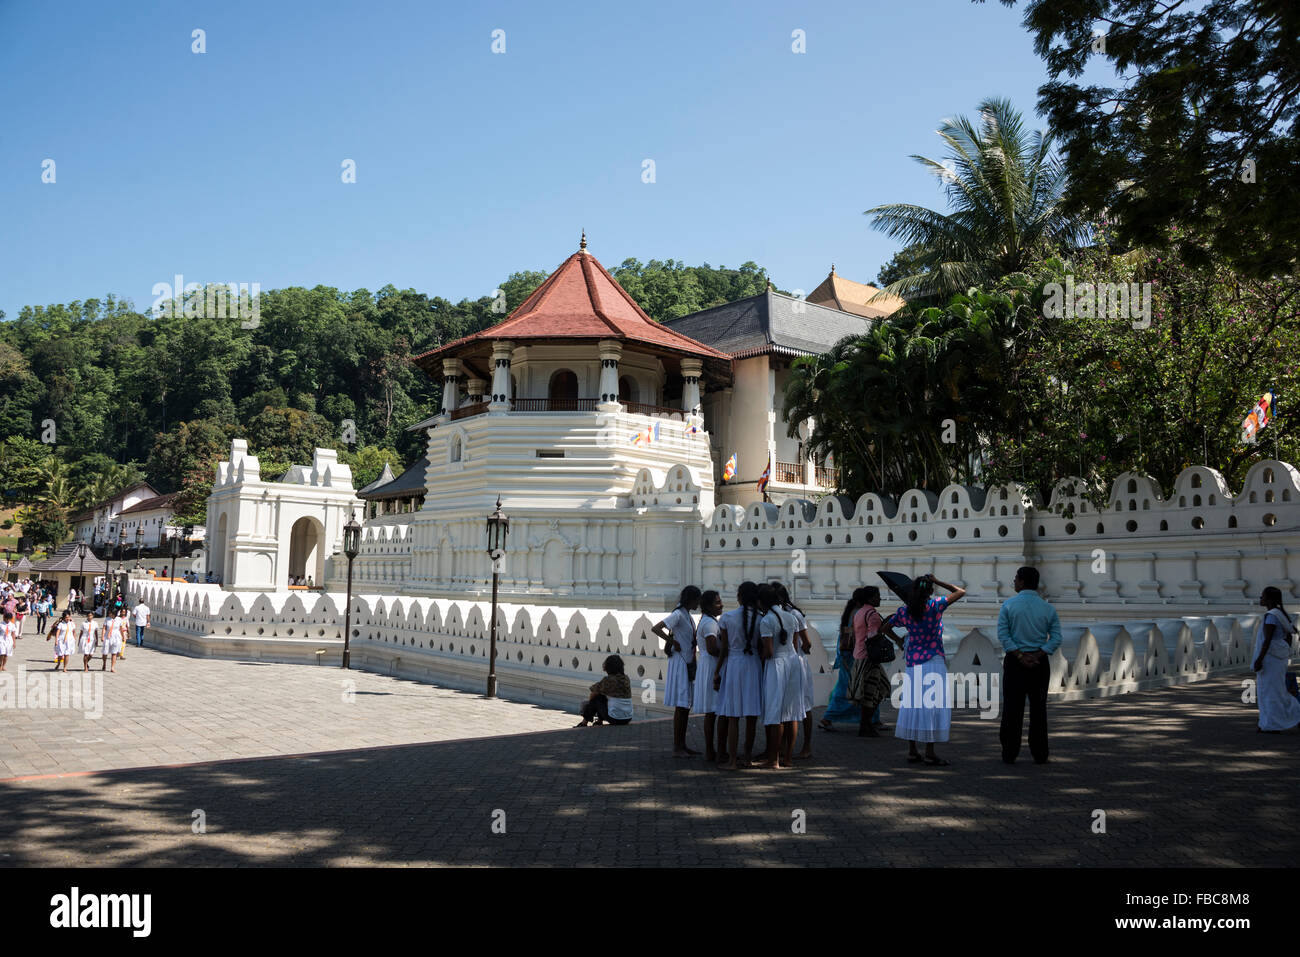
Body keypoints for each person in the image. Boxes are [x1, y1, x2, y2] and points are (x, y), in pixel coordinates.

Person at [881, 573, 965, 766]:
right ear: (930, 591)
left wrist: (899, 641)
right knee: (932, 707)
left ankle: (912, 751)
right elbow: (960, 591)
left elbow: (885, 628)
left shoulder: (904, 611)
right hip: (934, 661)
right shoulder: (936, 606)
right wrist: (938, 580)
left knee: (912, 705)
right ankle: (929, 752)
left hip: (913, 663)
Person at [997, 566, 1062, 764]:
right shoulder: (1047, 608)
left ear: (1022, 582)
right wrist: (1039, 654)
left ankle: (1010, 752)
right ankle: (1040, 753)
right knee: (1038, 710)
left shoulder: (1009, 605)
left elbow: (1003, 635)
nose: (1014, 582)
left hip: (1015, 663)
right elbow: (1056, 637)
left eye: (1016, 578)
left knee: (1012, 710)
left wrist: (1019, 655)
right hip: (1039, 664)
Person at [714, 581, 764, 769]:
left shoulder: (727, 618)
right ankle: (748, 757)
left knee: (733, 716)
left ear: (739, 597)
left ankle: (733, 760)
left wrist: (717, 671)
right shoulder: (761, 619)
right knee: (751, 716)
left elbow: (724, 649)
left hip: (734, 665)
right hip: (753, 665)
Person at [755, 582, 804, 769]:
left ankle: (773, 759)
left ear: (762, 602)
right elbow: (795, 645)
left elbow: (768, 651)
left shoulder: (766, 620)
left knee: (775, 712)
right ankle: (788, 758)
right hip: (792, 663)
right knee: (791, 712)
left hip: (776, 665)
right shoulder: (790, 617)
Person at [652, 585, 701, 757]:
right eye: (697, 600)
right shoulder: (679, 614)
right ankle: (677, 747)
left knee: (685, 706)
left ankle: (682, 744)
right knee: (681, 706)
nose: (698, 603)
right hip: (679, 663)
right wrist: (672, 642)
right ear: (691, 599)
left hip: (686, 662)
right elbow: (656, 628)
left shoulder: (687, 615)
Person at [850, 586, 904, 737]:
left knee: (875, 689)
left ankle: (866, 723)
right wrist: (886, 625)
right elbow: (873, 635)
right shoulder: (872, 614)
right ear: (869, 598)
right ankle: (865, 725)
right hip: (869, 658)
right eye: (877, 596)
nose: (879, 598)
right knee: (874, 691)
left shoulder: (859, 612)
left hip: (860, 654)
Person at [775, 583, 816, 759]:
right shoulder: (779, 614)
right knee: (786, 705)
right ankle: (782, 747)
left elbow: (806, 643)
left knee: (804, 705)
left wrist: (800, 651)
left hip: (796, 661)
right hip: (790, 660)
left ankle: (806, 746)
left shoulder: (794, 614)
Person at [1253, 585, 1300, 733]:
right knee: (1272, 690)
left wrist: (1259, 659)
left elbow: (1267, 640)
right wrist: (1283, 650)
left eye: (1263, 597)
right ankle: (1267, 722)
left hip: (1270, 659)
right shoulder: (1280, 613)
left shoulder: (1271, 616)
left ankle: (1273, 723)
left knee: (1270, 691)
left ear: (1269, 599)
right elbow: (1288, 635)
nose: (1260, 599)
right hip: (1277, 658)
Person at [820, 591, 863, 731]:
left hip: (849, 654)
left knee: (850, 687)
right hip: (853, 655)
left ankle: (870, 719)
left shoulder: (852, 612)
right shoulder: (858, 613)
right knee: (846, 688)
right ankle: (828, 717)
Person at [692, 590, 725, 761]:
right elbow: (712, 648)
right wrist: (728, 652)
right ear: (708, 606)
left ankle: (712, 749)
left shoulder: (707, 621)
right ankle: (716, 750)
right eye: (717, 602)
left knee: (712, 712)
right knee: (716, 711)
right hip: (712, 665)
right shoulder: (710, 624)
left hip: (707, 664)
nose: (721, 605)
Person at [577, 654, 634, 727]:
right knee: (602, 696)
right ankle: (598, 721)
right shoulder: (626, 679)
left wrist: (589, 705)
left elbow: (593, 692)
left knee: (597, 698)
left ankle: (584, 722)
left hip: (615, 719)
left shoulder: (608, 680)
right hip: (628, 718)